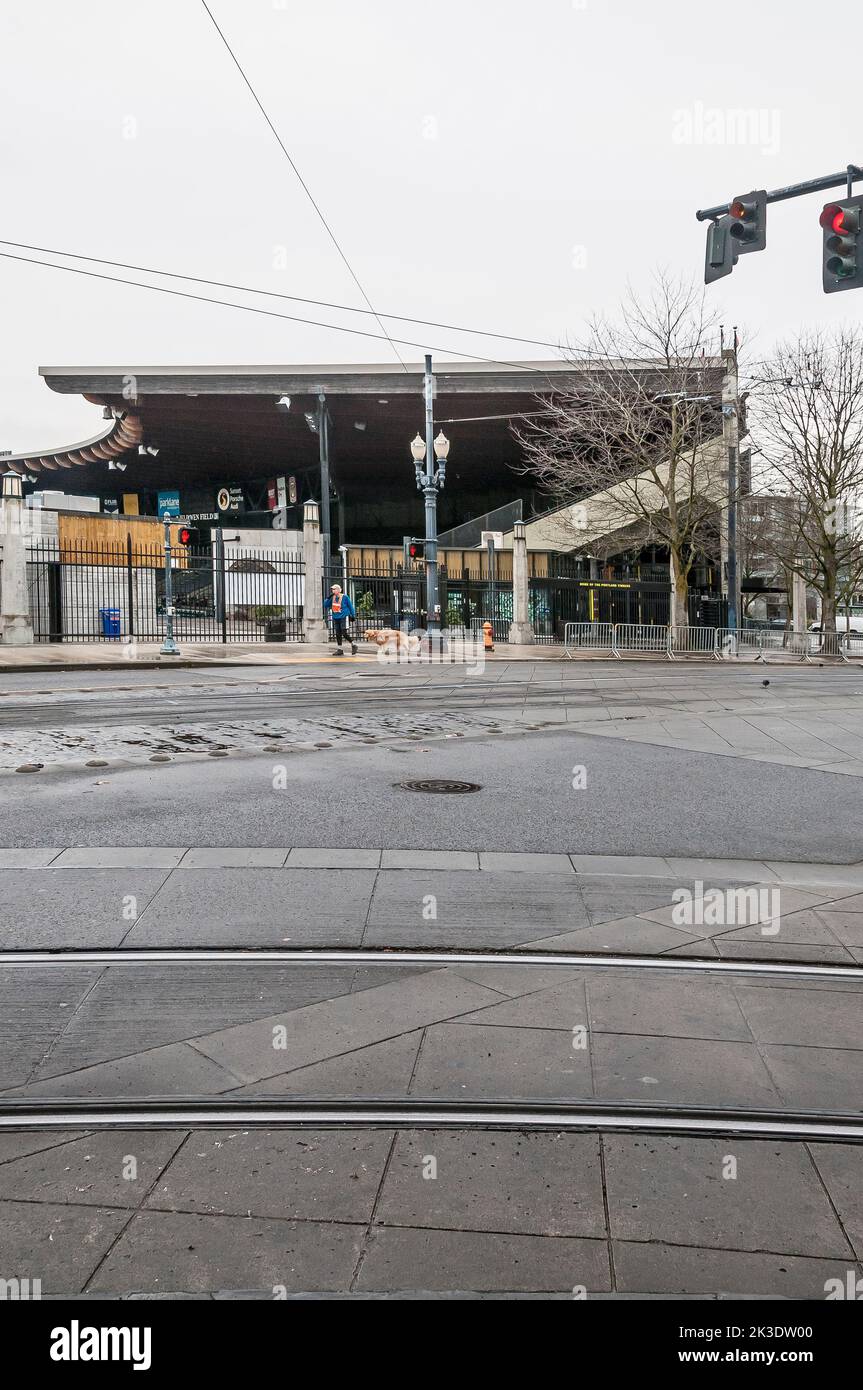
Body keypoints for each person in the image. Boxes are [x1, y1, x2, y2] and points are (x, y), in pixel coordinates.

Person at [324, 584, 358, 655]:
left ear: (339, 590)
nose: (333, 590)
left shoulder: (345, 597)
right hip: (336, 617)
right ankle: (340, 649)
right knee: (338, 633)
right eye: (332, 589)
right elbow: (325, 605)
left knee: (344, 632)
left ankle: (353, 644)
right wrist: (328, 598)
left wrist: (353, 615)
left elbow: (350, 606)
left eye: (335, 589)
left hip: (344, 616)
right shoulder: (332, 597)